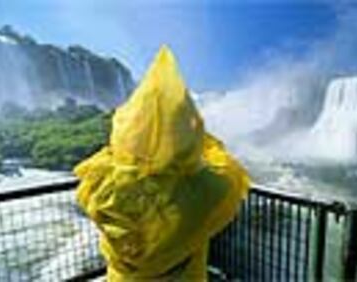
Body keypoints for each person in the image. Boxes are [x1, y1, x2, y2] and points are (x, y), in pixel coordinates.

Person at [74, 46, 250, 281]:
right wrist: (202, 141)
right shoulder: (203, 192)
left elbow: (107, 156)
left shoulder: (101, 182)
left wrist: (129, 149)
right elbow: (231, 174)